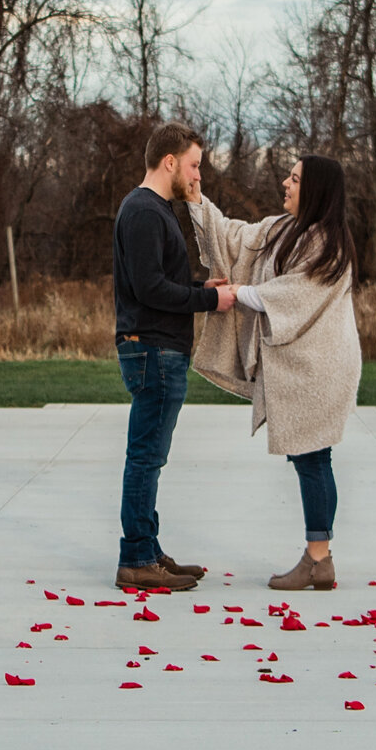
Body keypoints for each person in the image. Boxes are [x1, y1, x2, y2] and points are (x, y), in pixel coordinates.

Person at [186, 152, 360, 591]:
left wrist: (238, 292)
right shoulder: (284, 230)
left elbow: (291, 294)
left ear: (315, 189)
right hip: (299, 367)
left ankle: (318, 559)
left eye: (296, 179)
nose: (285, 182)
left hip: (319, 369)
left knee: (314, 458)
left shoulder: (327, 243)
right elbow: (235, 238)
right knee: (309, 459)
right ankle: (319, 558)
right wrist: (196, 201)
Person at [111, 121, 236, 592]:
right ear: (170, 162)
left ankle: (149, 549)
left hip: (160, 348)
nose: (197, 176)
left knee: (150, 457)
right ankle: (137, 560)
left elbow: (158, 283)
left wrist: (201, 288)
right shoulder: (144, 211)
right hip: (153, 350)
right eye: (194, 165)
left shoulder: (153, 209)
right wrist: (210, 302)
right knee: (145, 458)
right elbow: (149, 290)